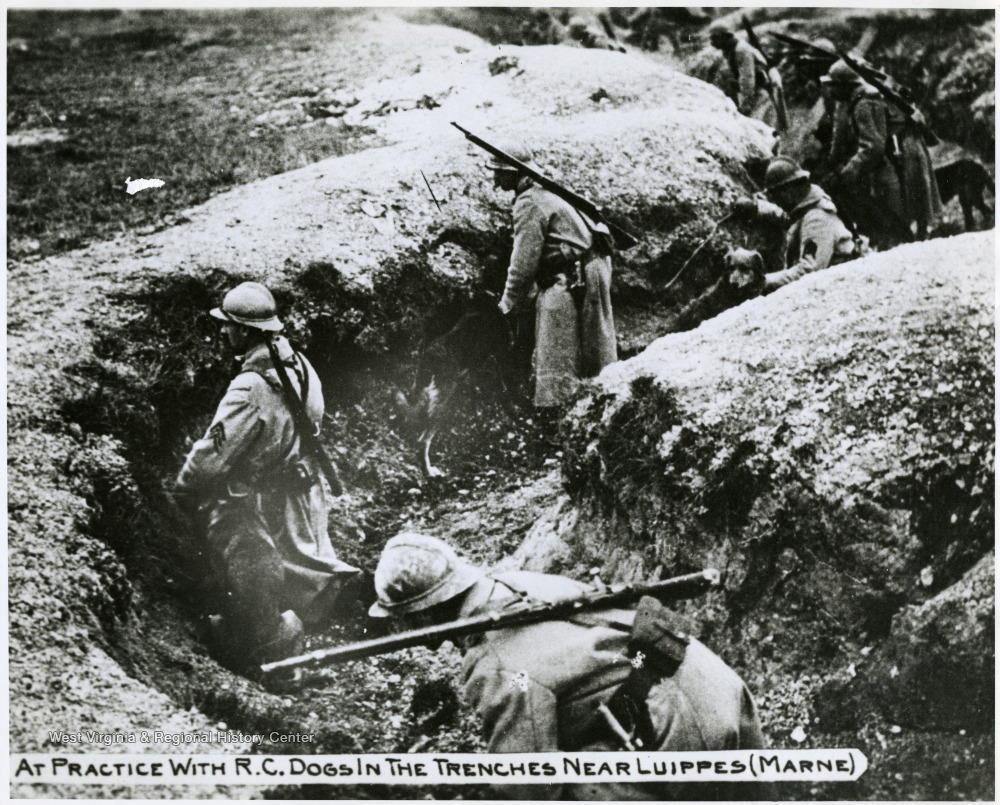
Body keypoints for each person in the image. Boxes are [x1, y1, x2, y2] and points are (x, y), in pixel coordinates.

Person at [368, 533, 767, 800]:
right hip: (714, 684)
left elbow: (527, 783)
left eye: (403, 618)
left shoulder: (494, 665)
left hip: (681, 729)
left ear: (423, 615)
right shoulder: (519, 583)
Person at [176, 281, 359, 670]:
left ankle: (267, 637)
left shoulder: (249, 387)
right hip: (305, 494)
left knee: (240, 546)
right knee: (311, 569)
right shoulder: (300, 365)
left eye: (228, 325)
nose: (224, 332)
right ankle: (346, 599)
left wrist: (181, 492)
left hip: (268, 502)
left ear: (244, 331)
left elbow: (212, 455)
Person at [489, 142, 617, 408]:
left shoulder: (530, 202)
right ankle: (590, 400)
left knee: (557, 340)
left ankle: (560, 407)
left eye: (499, 172)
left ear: (514, 173)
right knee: (590, 341)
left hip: (577, 274)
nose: (495, 178)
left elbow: (523, 263)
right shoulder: (542, 192)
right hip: (591, 267)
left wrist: (507, 303)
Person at [821, 59, 942, 247]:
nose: (831, 91)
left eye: (834, 86)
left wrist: (847, 172)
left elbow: (873, 146)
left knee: (899, 206)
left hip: (901, 149)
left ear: (847, 86)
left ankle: (909, 242)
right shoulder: (853, 100)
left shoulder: (864, 104)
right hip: (895, 150)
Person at [732, 155, 857, 294]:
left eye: (776, 195)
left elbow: (809, 270)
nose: (775, 201)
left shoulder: (817, 218)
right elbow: (789, 218)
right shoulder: (806, 204)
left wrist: (764, 281)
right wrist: (757, 208)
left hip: (837, 288)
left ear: (789, 192)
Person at [708, 23, 786, 133]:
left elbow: (748, 78)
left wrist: (746, 104)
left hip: (760, 94)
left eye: (715, 38)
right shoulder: (731, 50)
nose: (713, 43)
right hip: (755, 93)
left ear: (726, 36)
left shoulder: (741, 50)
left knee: (762, 131)